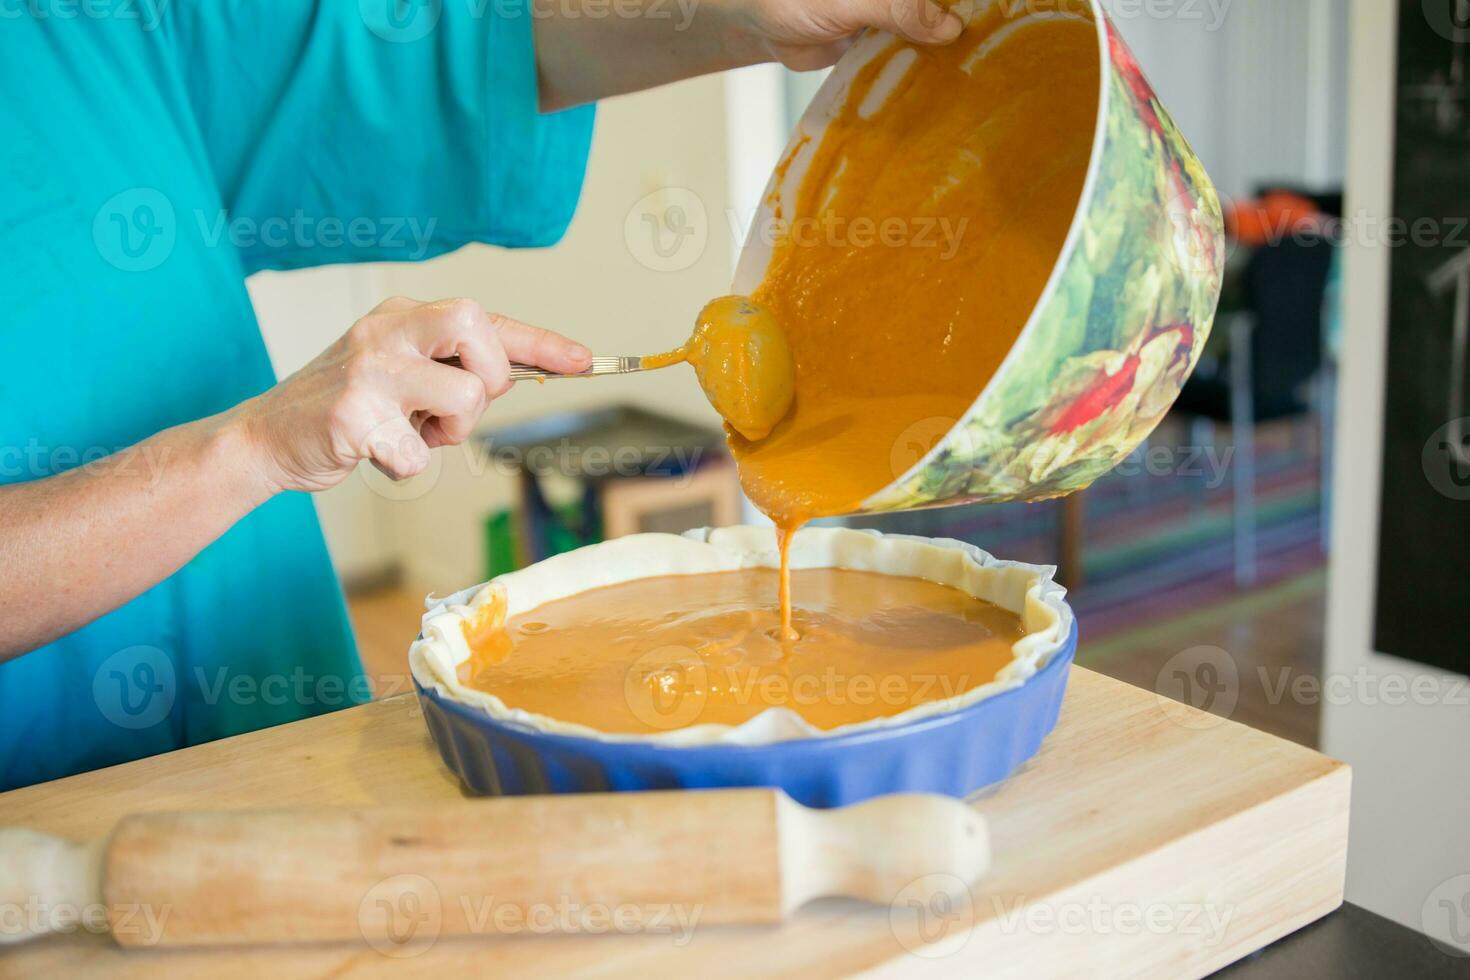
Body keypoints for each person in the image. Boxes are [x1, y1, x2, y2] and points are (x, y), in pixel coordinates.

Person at [0, 0, 965, 789]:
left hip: (280, 740)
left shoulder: (91, 24)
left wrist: (725, 12)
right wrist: (252, 448)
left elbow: (441, 46)